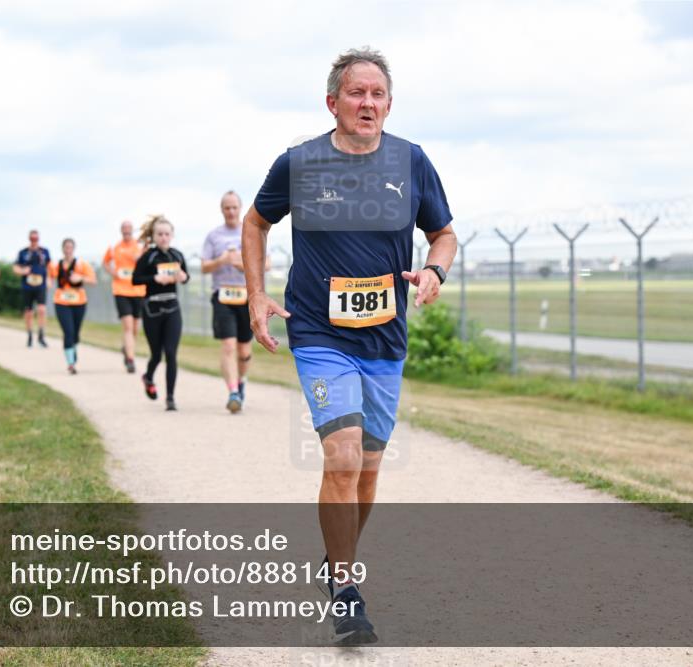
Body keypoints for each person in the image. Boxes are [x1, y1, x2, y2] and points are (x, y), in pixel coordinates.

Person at [242, 47, 457, 645]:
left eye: (378, 94)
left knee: (366, 468)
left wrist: (437, 270)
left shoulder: (411, 161)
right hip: (318, 333)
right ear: (332, 101)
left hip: (385, 339)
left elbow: (442, 233)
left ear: (389, 103)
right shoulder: (299, 163)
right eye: (356, 93)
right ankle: (344, 587)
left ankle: (337, 562)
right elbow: (256, 222)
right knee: (341, 456)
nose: (368, 103)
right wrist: (257, 294)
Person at [201, 191, 269, 413]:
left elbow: (267, 263)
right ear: (222, 210)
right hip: (222, 296)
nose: (230, 211)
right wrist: (221, 261)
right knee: (228, 345)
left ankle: (241, 383)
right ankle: (232, 391)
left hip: (247, 296)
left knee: (243, 350)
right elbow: (203, 267)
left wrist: (244, 264)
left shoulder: (250, 230)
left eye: (234, 207)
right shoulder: (213, 236)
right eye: (226, 208)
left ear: (240, 208)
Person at [132, 215, 189, 411]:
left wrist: (183, 277)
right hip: (152, 309)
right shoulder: (148, 256)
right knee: (156, 354)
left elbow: (185, 276)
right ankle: (148, 377)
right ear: (154, 236)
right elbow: (135, 279)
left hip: (172, 308)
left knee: (171, 353)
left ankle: (170, 398)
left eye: (167, 234)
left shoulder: (177, 255)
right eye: (160, 234)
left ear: (172, 235)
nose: (164, 237)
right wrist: (155, 278)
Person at [47, 238, 97, 374]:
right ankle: (71, 363)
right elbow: (49, 276)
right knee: (68, 331)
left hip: (79, 302)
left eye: (70, 247)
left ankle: (72, 350)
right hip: (61, 302)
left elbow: (93, 280)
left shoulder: (82, 265)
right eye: (66, 247)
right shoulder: (56, 265)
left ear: (73, 249)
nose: (68, 249)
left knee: (75, 334)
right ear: (62, 249)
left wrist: (80, 278)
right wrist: (48, 282)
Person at [102, 220, 146, 372]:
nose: (126, 231)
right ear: (121, 231)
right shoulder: (115, 248)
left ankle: (126, 348)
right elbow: (105, 263)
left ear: (132, 230)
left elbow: (146, 264)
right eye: (124, 229)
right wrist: (112, 271)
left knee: (135, 328)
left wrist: (141, 260)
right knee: (127, 325)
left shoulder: (140, 247)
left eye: (129, 229)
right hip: (121, 290)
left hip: (138, 290)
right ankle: (130, 359)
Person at [13, 230, 51, 347]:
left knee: (42, 310)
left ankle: (41, 334)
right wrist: (22, 271)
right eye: (32, 239)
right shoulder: (23, 252)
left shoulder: (44, 252)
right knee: (28, 312)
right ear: (29, 239)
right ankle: (29, 335)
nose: (34, 241)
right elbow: (15, 268)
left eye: (36, 239)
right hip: (27, 286)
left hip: (41, 285)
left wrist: (49, 279)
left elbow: (49, 267)